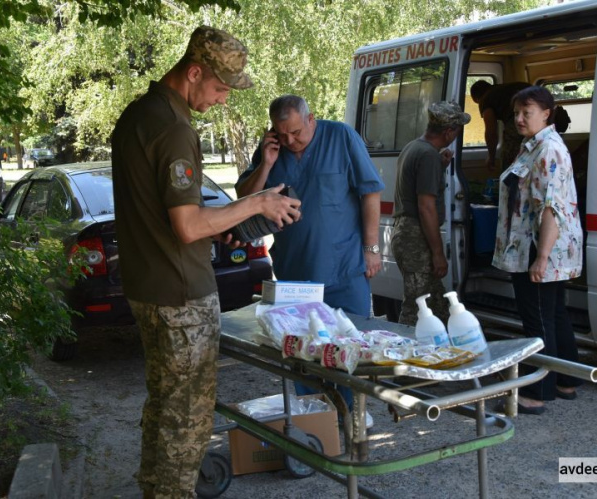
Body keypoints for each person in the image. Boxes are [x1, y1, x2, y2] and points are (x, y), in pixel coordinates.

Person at [111, 26, 301, 498]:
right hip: (181, 293)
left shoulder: (138, 114)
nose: (222, 100)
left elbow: (167, 215)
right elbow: (190, 226)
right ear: (193, 73)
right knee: (188, 422)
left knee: (164, 408)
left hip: (148, 286)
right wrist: (257, 205)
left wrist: (231, 216)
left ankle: (155, 490)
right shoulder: (175, 129)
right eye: (218, 89)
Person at [235, 94, 384, 426]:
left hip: (343, 266)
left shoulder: (341, 136)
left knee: (350, 346)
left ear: (311, 119)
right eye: (282, 134)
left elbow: (370, 191)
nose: (290, 141)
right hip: (294, 274)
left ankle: (352, 412)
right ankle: (314, 419)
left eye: (296, 133)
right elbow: (244, 199)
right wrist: (267, 163)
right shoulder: (272, 150)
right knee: (300, 351)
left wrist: (372, 250)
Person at [492, 86, 583, 415]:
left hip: (539, 248)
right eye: (516, 112)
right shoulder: (532, 146)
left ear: (547, 113)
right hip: (536, 246)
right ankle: (567, 380)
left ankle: (537, 392)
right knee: (554, 313)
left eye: (526, 112)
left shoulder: (548, 150)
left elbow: (551, 209)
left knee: (538, 319)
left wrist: (541, 257)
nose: (518, 118)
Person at [390, 101, 470, 326]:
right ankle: (401, 356)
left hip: (407, 233)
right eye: (457, 131)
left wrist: (440, 167)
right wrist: (438, 253)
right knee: (418, 307)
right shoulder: (428, 156)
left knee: (437, 305)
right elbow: (426, 207)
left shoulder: (415, 147)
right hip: (416, 237)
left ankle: (442, 352)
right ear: (448, 132)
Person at [470, 80, 530, 172]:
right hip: (541, 116)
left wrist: (491, 157)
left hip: (520, 118)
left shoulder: (485, 98)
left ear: (477, 98)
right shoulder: (502, 90)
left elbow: (491, 131)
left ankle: (510, 184)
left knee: (509, 158)